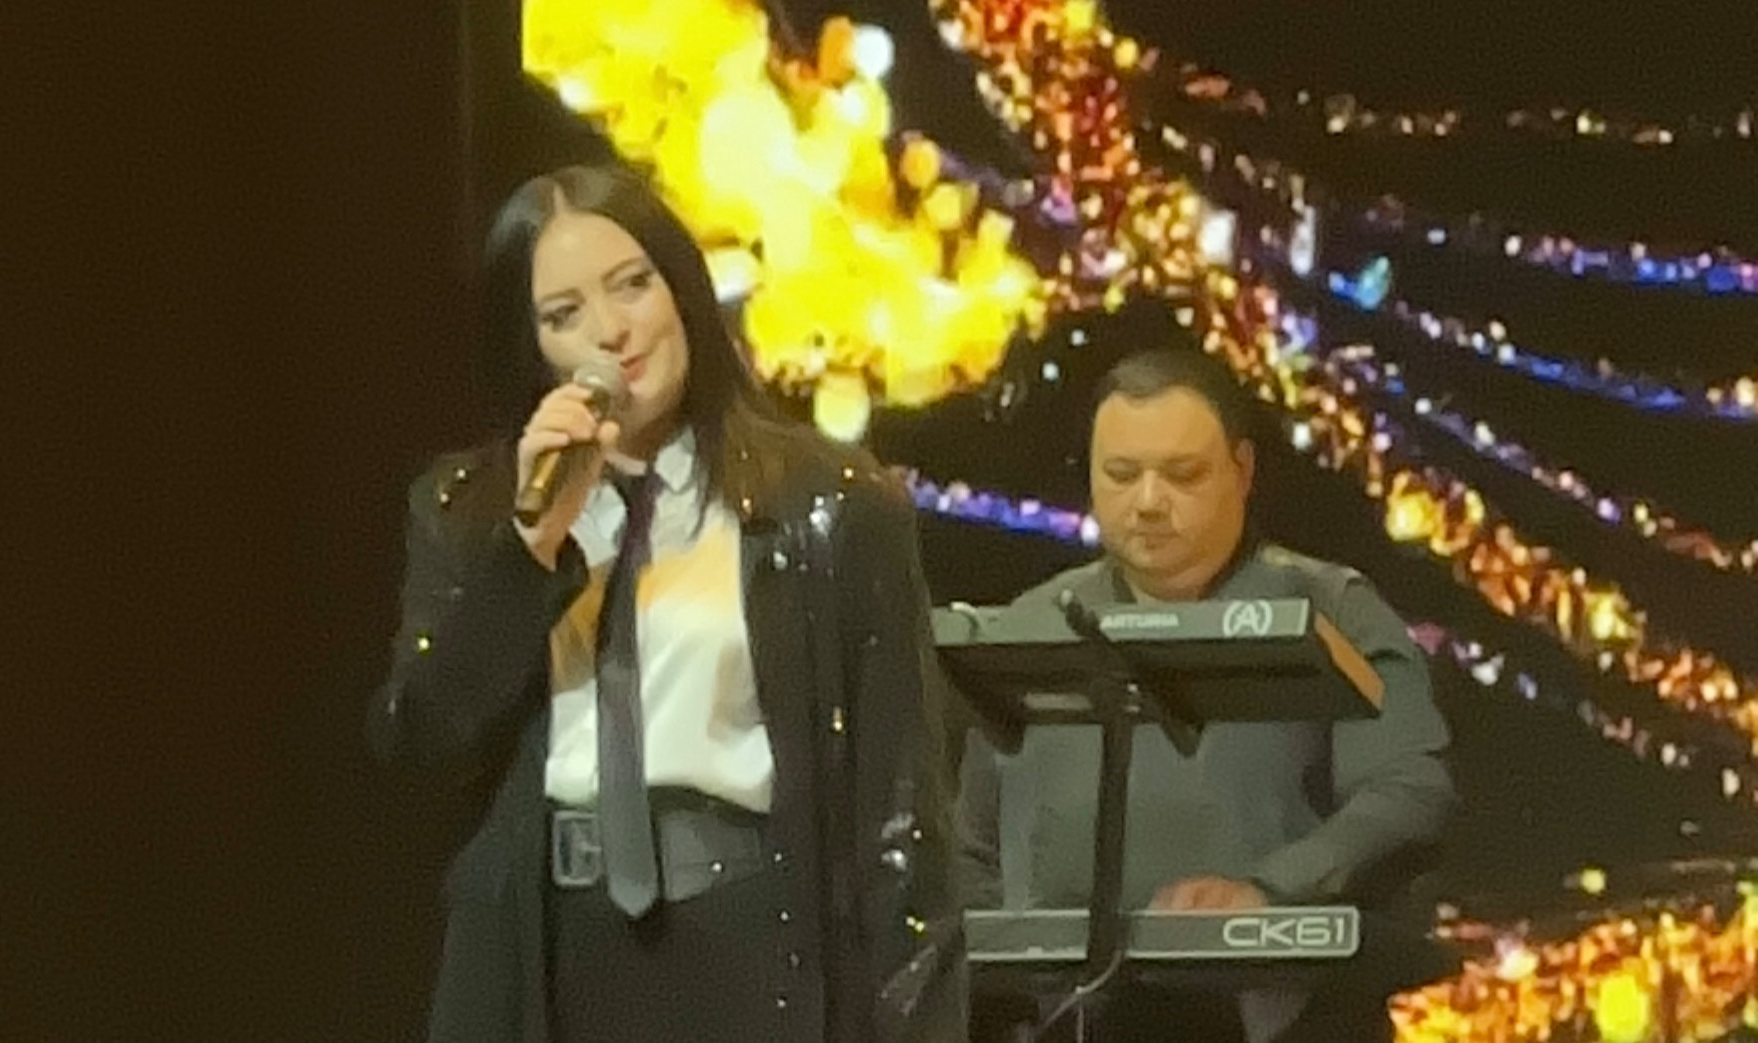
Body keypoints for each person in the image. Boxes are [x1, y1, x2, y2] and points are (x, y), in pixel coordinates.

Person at [369, 164, 965, 1043]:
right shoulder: (470, 509)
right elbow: (419, 738)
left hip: (749, 939)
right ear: (533, 347)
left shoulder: (829, 503)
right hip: (546, 953)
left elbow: (900, 818)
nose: (611, 331)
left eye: (632, 285)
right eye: (564, 314)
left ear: (682, 290)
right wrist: (530, 548)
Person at [956, 342, 1455, 1043]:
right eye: (1121, 474)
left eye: (1182, 474)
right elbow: (972, 845)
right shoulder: (1030, 627)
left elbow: (1410, 790)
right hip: (1066, 1022)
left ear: (1241, 470)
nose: (1148, 502)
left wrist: (1269, 893)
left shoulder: (1333, 607)